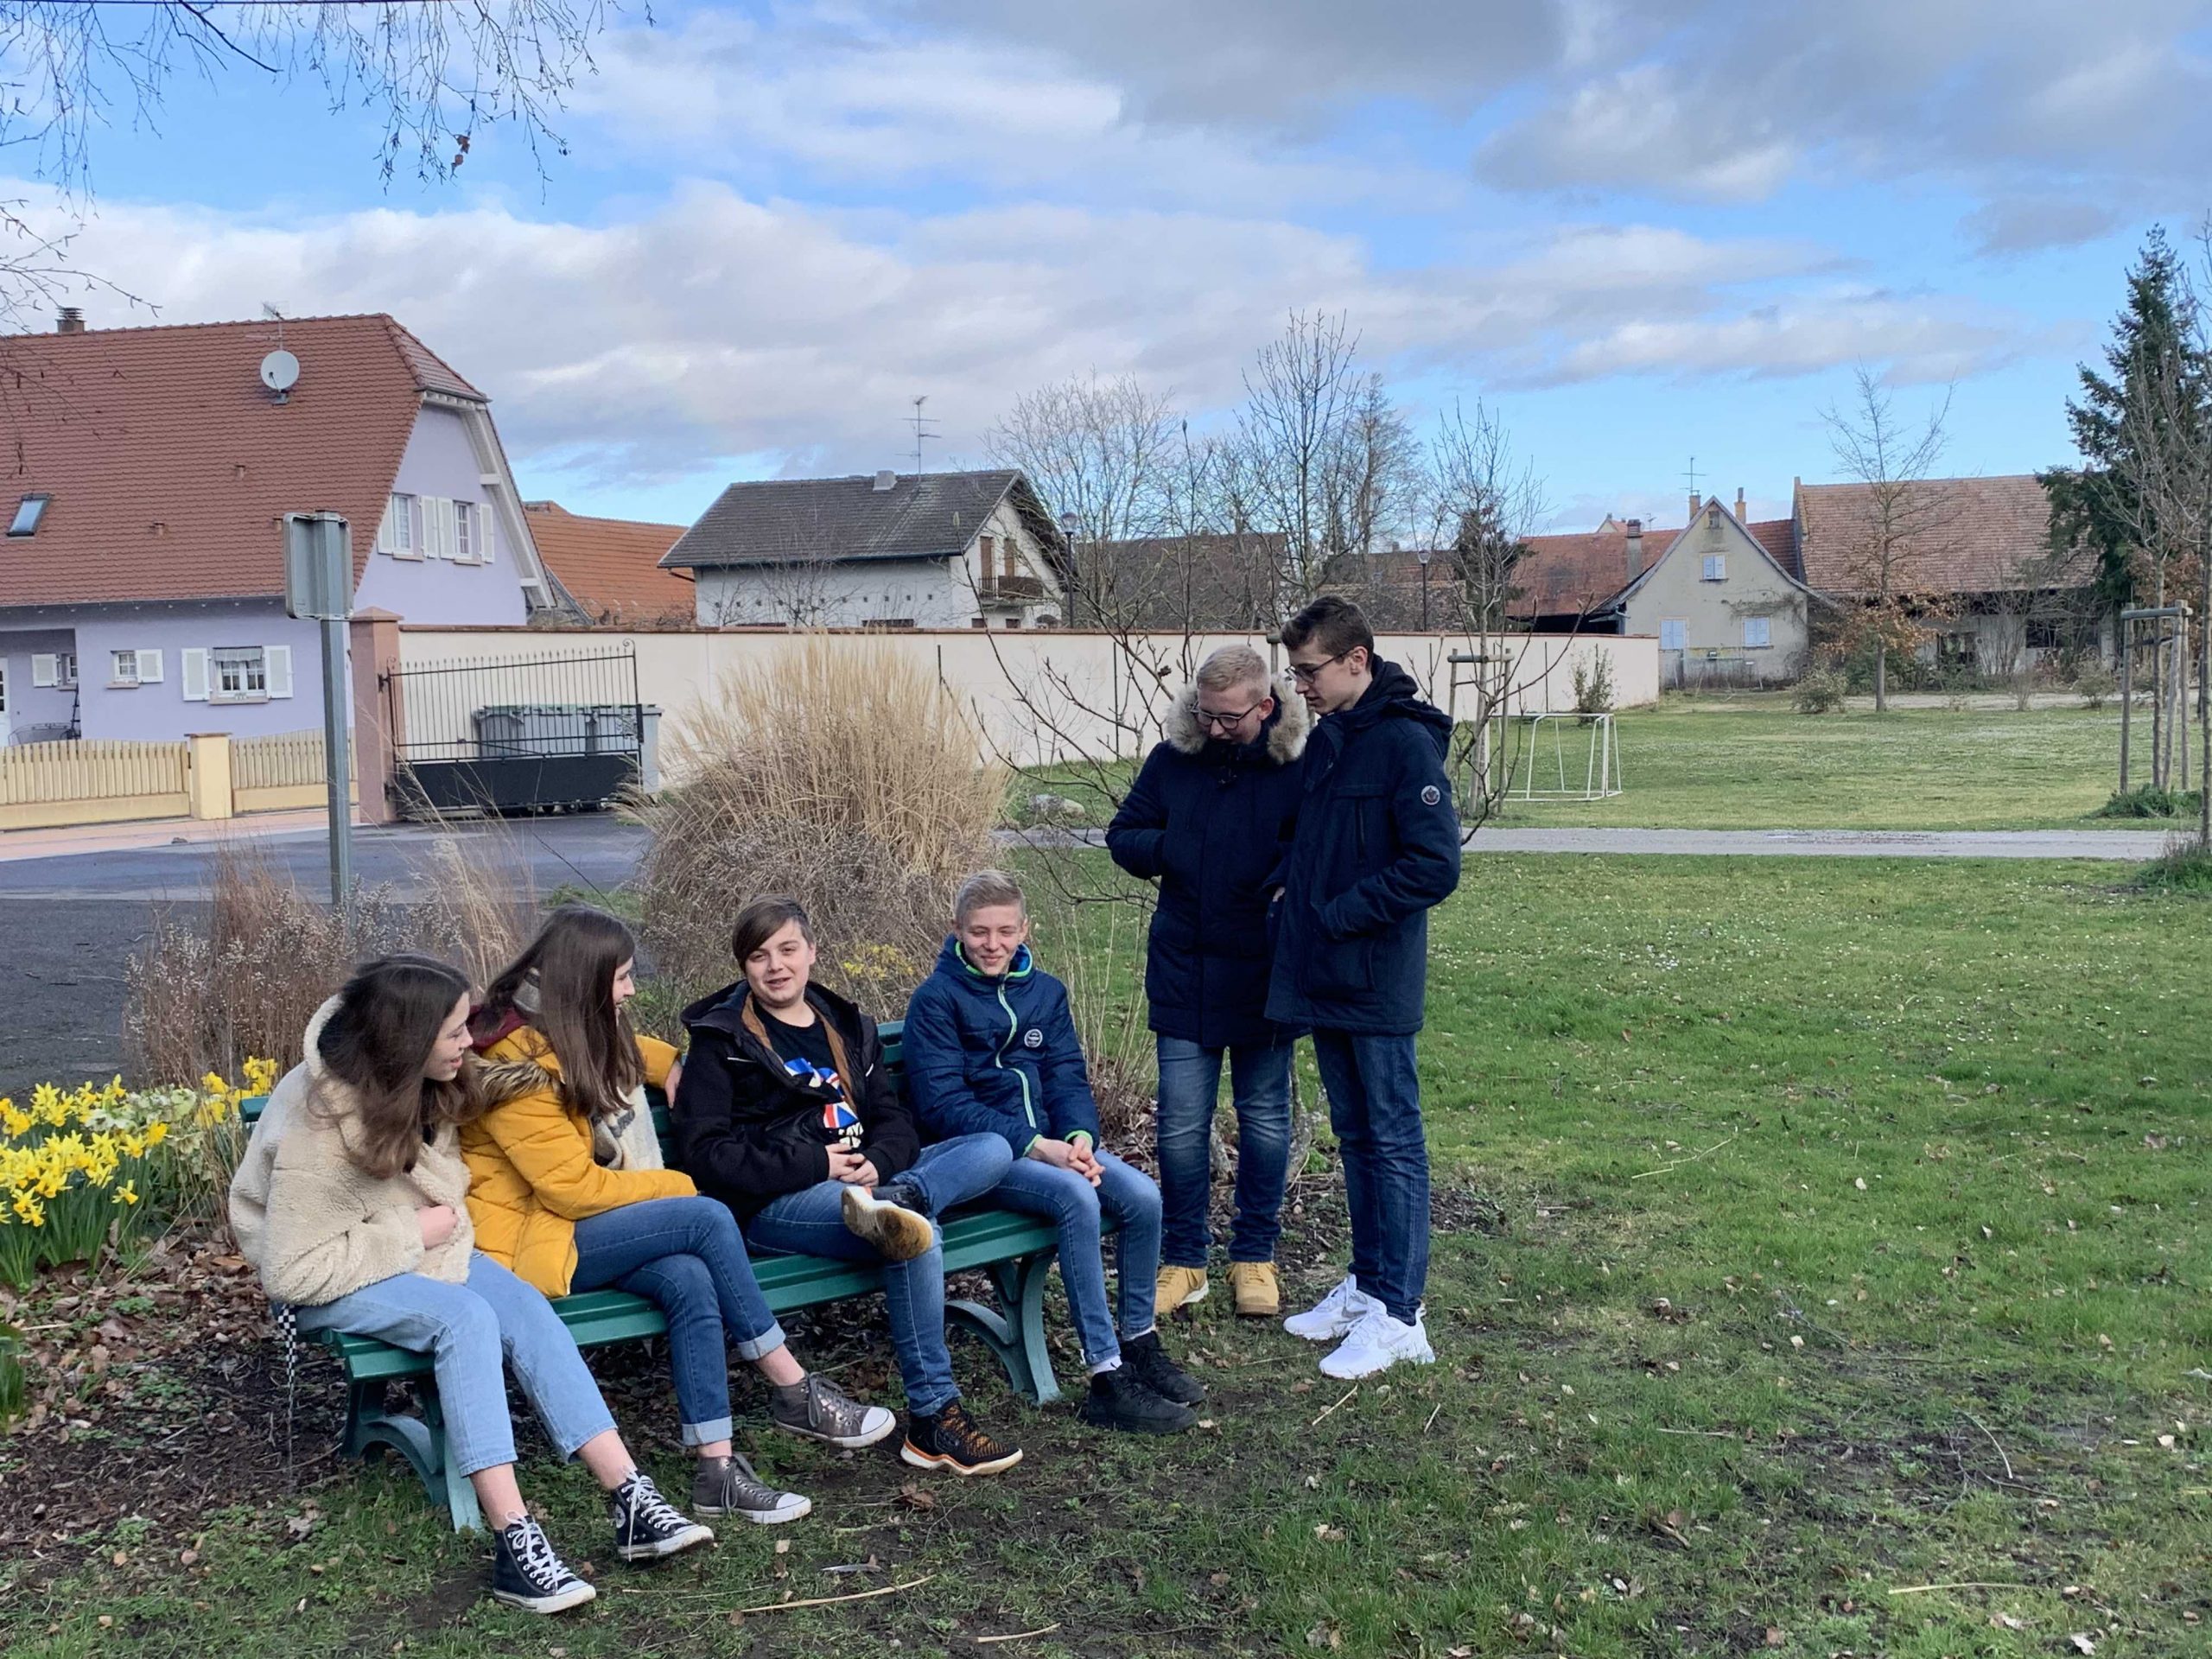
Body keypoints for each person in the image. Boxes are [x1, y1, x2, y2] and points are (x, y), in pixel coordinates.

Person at [229, 956, 712, 1616]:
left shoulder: (427, 1078)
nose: (470, 1039)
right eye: (456, 1030)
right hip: (331, 1274)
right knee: (466, 1319)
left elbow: (542, 1061)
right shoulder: (320, 1121)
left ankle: (630, 1496)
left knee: (522, 1305)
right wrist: (410, 1232)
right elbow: (292, 1270)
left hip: (422, 1247)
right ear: (409, 1038)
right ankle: (516, 1542)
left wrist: (662, 1062)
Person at [462, 906, 895, 1527]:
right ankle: (792, 1386)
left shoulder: (561, 1030)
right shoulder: (518, 1070)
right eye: (621, 978)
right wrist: (681, 1186)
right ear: (585, 983)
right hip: (532, 1241)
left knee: (690, 1277)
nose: (630, 991)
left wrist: (671, 1063)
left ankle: (716, 1472)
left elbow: (618, 1051)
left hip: (570, 1228)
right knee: (706, 1217)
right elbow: (573, 1191)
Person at [671, 896, 1024, 1477]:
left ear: (812, 951)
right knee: (915, 1239)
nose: (776, 966)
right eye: (759, 956)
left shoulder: (845, 1024)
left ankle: (905, 1198)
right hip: (779, 1202)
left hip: (873, 1182)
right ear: (744, 966)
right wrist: (817, 1163)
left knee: (992, 1147)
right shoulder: (722, 1041)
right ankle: (934, 1418)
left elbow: (892, 1119)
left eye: (788, 950)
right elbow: (707, 1155)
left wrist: (881, 1165)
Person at [902, 868, 1204, 1433]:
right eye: (979, 932)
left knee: (1142, 1197)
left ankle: (1138, 1342)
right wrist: (1039, 1148)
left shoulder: (1045, 992)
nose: (993, 944)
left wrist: (1080, 1138)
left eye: (1005, 931)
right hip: (984, 1159)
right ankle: (1106, 1376)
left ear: (1025, 929)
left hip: (1052, 1148)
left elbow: (1066, 1077)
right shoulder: (936, 1000)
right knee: (1076, 1197)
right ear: (957, 929)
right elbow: (943, 1105)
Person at [1266, 595, 1462, 1380]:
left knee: (1393, 1140)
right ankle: (1370, 1286)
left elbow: (1434, 866)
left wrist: (1342, 913)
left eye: (1309, 670)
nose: (1300, 686)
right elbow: (1313, 842)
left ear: (1357, 660)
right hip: (1325, 974)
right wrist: (1287, 891)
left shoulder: (1405, 746)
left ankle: (1400, 1316)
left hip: (1375, 978)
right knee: (1355, 1137)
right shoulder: (1330, 739)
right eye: (1294, 672)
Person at [1108, 645, 1309, 1320]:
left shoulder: (1297, 768)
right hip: (1185, 968)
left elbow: (1314, 848)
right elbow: (1124, 835)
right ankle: (1184, 1258)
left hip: (1265, 971)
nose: (1215, 728)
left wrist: (1282, 880)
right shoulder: (1172, 761)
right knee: (1180, 1126)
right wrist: (1175, 848)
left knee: (1265, 1122)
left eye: (1230, 718)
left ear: (1265, 705)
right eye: (1206, 713)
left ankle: (1254, 1256)